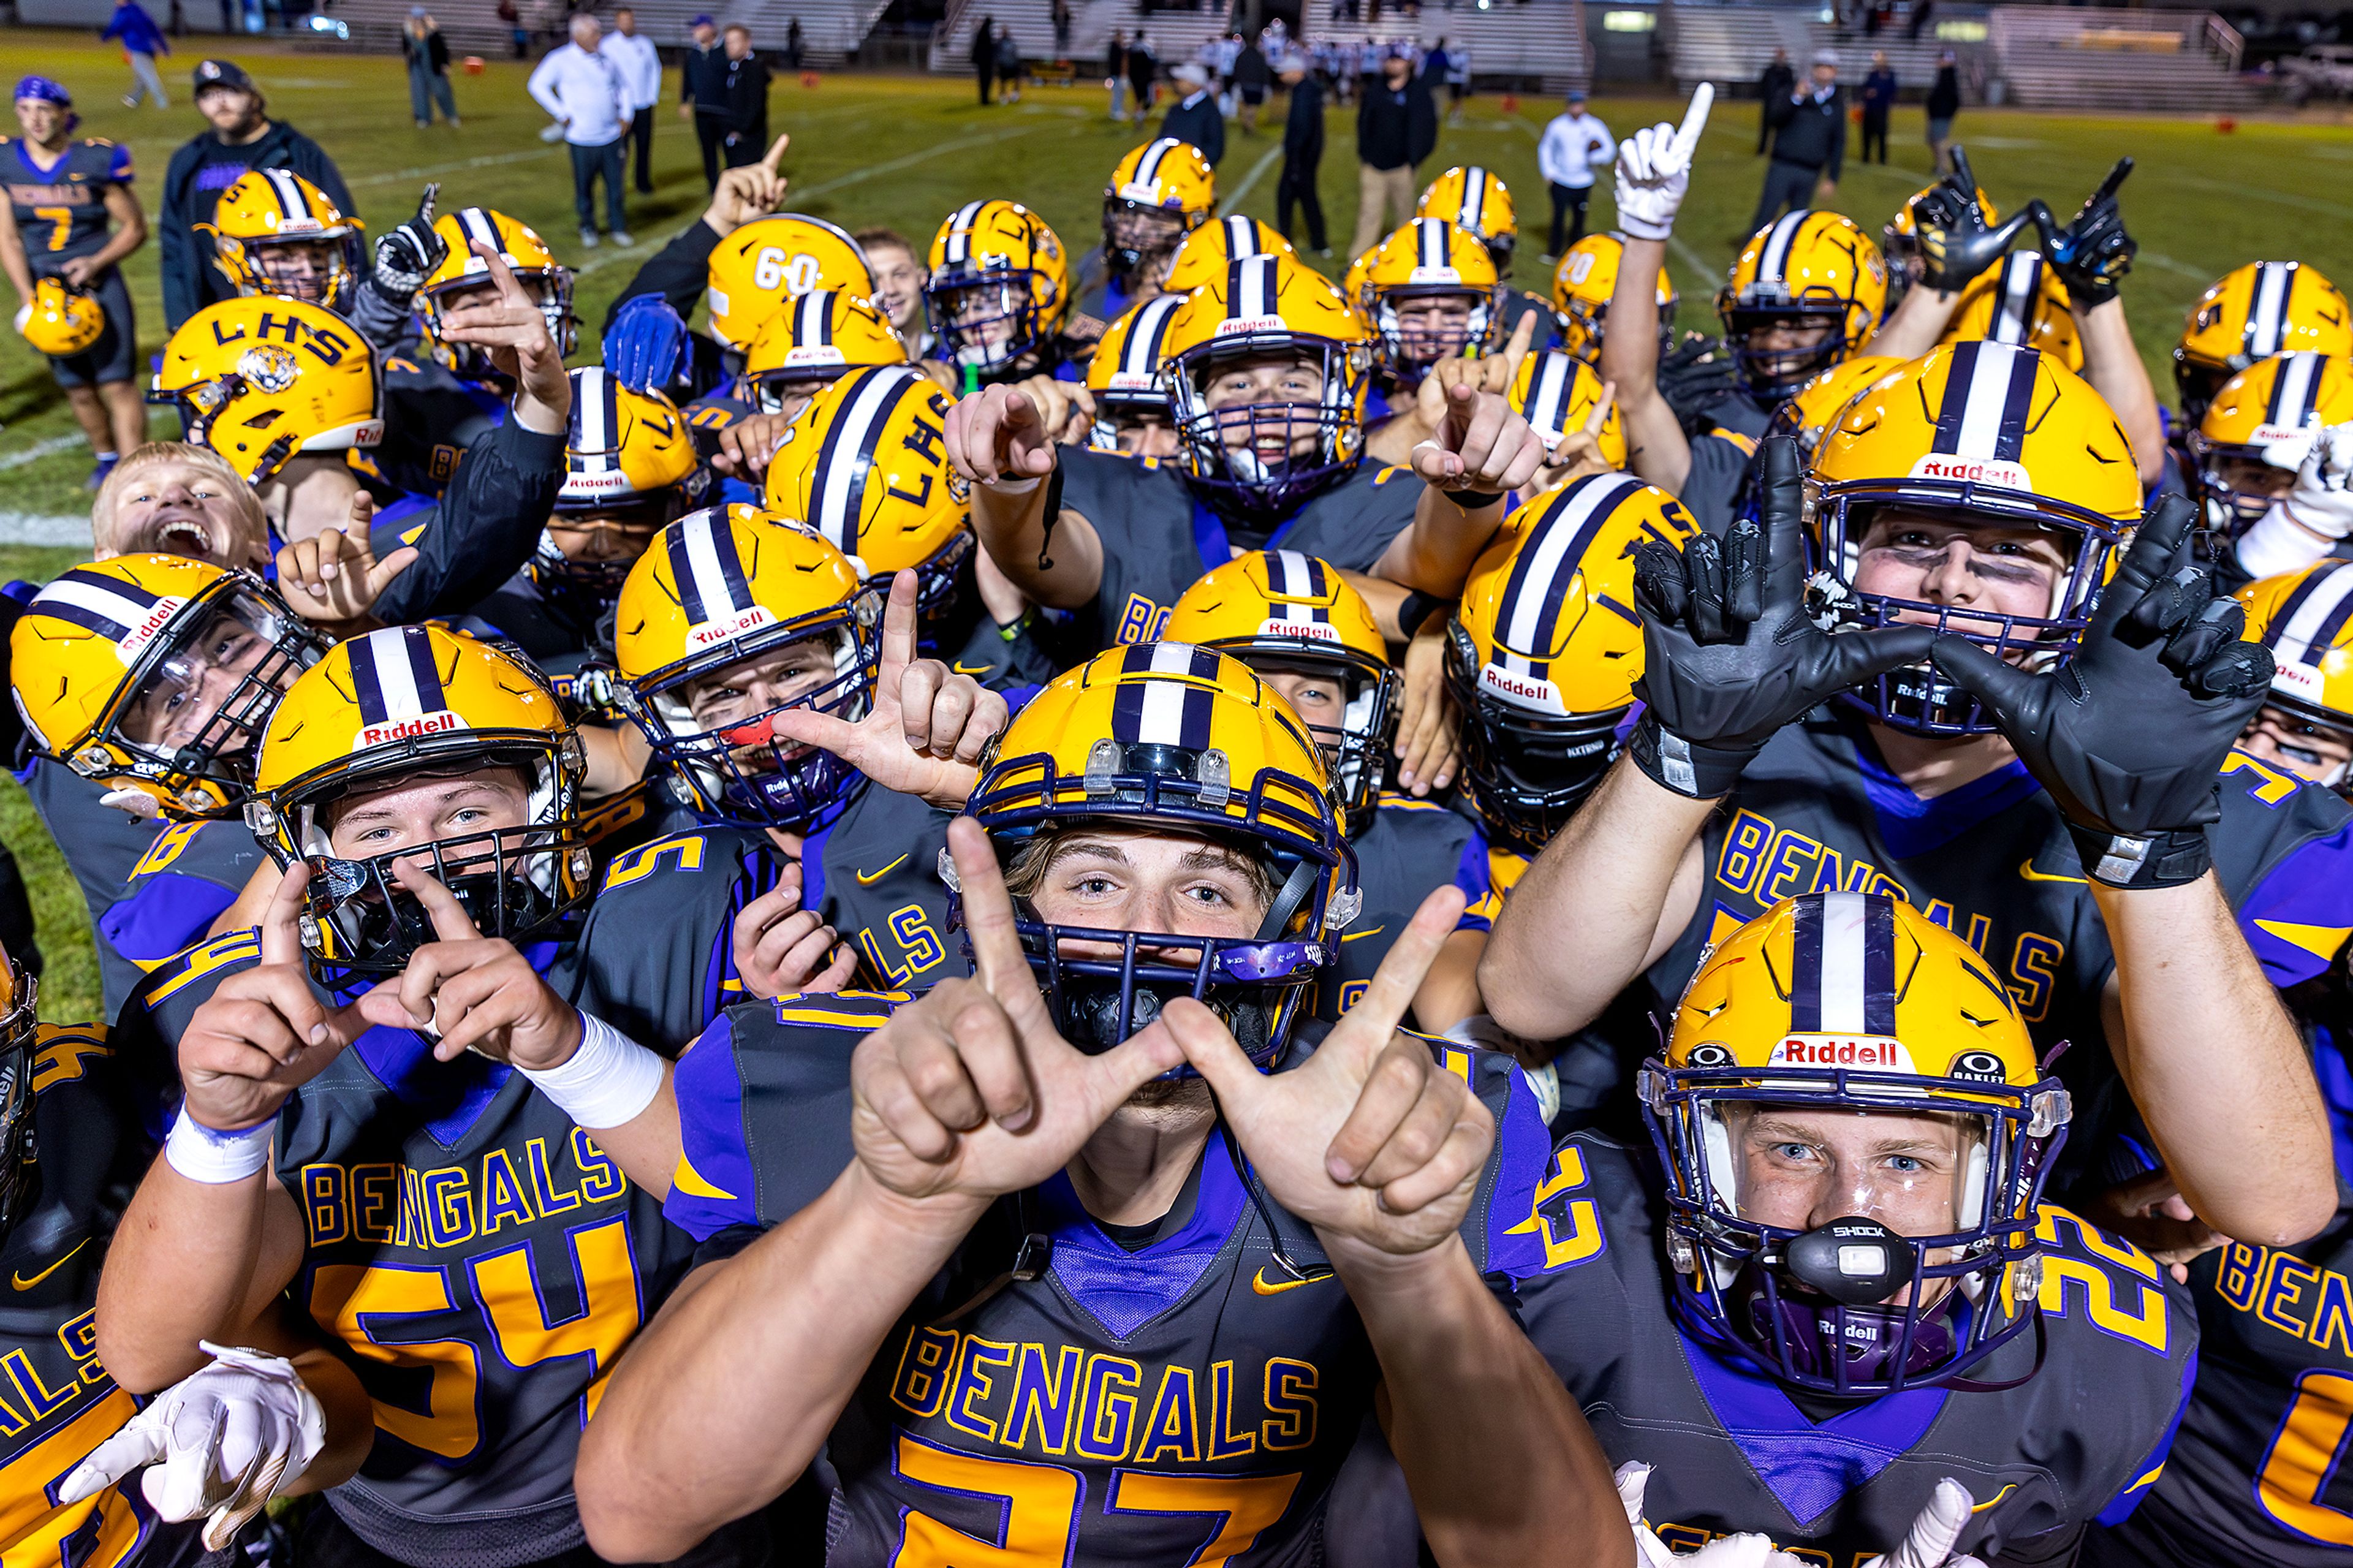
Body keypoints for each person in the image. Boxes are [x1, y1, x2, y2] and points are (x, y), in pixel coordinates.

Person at [567, 647, 1635, 1568]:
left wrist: (1405, 1269)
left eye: (1211, 888)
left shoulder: (1383, 1132)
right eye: (1094, 880)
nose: (1154, 931)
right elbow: (637, 1511)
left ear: (1296, 928)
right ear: (1005, 907)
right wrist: (900, 1209)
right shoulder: (853, 1085)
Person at [86, 618, 975, 1568]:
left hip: (691, 1486)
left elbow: (769, 1196)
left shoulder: (670, 915)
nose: (425, 863)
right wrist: (223, 1126)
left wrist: (569, 1048)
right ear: (304, 850)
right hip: (402, 1522)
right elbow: (146, 1354)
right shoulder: (229, 1018)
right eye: (377, 829)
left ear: (550, 800)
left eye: (468, 813)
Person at [1482, 363, 2347, 1258]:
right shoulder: (1739, 715)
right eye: (1917, 535)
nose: (1956, 584)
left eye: (2014, 551)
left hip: (1971, 1303)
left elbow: (2272, 1200)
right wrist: (1684, 754)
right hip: (1681, 1241)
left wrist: (2145, 841)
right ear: (1840, 546)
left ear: (2093, 583)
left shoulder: (2175, 798)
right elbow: (1531, 994)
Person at [1518, 890, 2200, 1560]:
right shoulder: (1552, 1281)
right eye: (1793, 1151)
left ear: (1992, 1183)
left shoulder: (2102, 1369)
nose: (1846, 1219)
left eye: (1906, 1160)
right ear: (1708, 1164)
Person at [2, 77, 147, 488]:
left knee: (117, 382)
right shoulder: (7, 162)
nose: (35, 119)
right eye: (26, 109)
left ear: (65, 114)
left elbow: (134, 227)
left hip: (98, 285)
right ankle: (105, 460)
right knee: (76, 387)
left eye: (45, 109)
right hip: (46, 292)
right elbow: (8, 238)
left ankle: (133, 473)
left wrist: (96, 262)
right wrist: (28, 298)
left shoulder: (95, 160)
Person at [159, 58, 352, 331]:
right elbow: (174, 243)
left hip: (292, 305)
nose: (221, 102)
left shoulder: (296, 151)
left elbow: (340, 229)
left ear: (252, 96)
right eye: (209, 95)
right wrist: (180, 319)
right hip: (216, 308)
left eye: (230, 91)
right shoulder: (189, 159)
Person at [529, 12, 634, 251]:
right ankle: (588, 227)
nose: (599, 38)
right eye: (593, 34)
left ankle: (617, 227)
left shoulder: (606, 59)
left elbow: (623, 88)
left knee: (616, 186)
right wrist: (561, 112)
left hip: (611, 137)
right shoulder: (560, 59)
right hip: (582, 139)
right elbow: (537, 85)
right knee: (584, 188)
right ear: (577, 36)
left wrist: (626, 115)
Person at [1350, 47, 1436, 260]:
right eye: (1391, 60)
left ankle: (1403, 262)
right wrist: (1365, 152)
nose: (1393, 64)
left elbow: (1428, 129)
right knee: (1369, 215)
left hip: (1403, 166)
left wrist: (1415, 158)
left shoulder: (1418, 91)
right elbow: (1363, 122)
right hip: (1374, 165)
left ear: (1408, 63)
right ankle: (1358, 262)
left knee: (1405, 218)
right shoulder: (1376, 88)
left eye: (1398, 60)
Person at [1754, 49, 1844, 231]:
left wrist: (1832, 177)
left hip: (1810, 172)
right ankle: (1749, 255)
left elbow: (1838, 142)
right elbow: (1774, 119)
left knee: (1795, 224)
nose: (1824, 71)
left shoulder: (1837, 103)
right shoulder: (1793, 90)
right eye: (1820, 66)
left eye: (1829, 67)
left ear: (1835, 71)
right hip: (1783, 166)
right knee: (1765, 215)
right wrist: (1796, 98)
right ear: (1813, 69)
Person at [1536, 88, 1611, 262]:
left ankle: (1575, 253)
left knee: (1579, 220)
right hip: (1561, 180)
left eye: (1579, 104)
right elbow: (1546, 148)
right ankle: (1554, 252)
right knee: (1558, 218)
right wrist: (1548, 171)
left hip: (1583, 181)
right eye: (1573, 105)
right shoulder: (1558, 126)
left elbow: (1609, 150)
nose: (1576, 108)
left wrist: (1594, 158)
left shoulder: (1594, 126)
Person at [606, 7, 662, 196]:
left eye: (630, 20)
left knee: (644, 147)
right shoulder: (607, 45)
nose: (627, 24)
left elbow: (655, 69)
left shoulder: (645, 44)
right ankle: (617, 185)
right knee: (620, 151)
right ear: (617, 22)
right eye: (623, 20)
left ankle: (643, 183)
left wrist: (652, 96)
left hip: (643, 105)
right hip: (620, 109)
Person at [854, 224, 933, 356]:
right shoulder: (840, 370)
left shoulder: (953, 364)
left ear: (922, 278)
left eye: (900, 275)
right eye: (875, 279)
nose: (890, 290)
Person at [1277, 59, 1327, 256]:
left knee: (1291, 198)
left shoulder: (1304, 93)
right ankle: (1318, 243)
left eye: (1284, 72)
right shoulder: (1306, 90)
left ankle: (1292, 242)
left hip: (1301, 156)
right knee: (1303, 198)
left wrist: (1296, 158)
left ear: (1296, 72)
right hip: (1305, 155)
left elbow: (1302, 127)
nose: (1281, 76)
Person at [679, 13, 728, 189]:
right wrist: (685, 101)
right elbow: (688, 78)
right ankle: (713, 187)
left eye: (698, 28)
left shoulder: (725, 50)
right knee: (708, 152)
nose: (694, 32)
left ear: (710, 28)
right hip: (701, 111)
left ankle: (733, 185)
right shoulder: (693, 53)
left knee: (730, 151)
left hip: (724, 112)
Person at [102, 0, 171, 109]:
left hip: (137, 48)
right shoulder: (139, 10)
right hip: (150, 48)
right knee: (141, 77)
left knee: (148, 76)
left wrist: (105, 37)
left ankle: (162, 102)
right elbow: (154, 28)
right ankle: (134, 99)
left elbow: (116, 27)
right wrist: (164, 47)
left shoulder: (124, 12)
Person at [1160, 62, 1225, 166]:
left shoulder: (1210, 112)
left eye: (1182, 80)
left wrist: (1196, 164)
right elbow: (1162, 139)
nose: (1177, 83)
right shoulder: (1176, 109)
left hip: (1193, 172)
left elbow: (1215, 149)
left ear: (1194, 84)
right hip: (1171, 168)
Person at [1926, 47, 1960, 172]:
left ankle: (1943, 167)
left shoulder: (1949, 77)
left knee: (1940, 141)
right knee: (1933, 140)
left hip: (1942, 114)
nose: (1939, 61)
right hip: (1937, 114)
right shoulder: (1943, 75)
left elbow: (1954, 98)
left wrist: (1948, 112)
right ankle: (1940, 165)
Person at [1754, 45, 1792, 154]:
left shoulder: (1788, 71)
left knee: (1781, 128)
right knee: (1765, 128)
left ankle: (1779, 150)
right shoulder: (1769, 70)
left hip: (1782, 104)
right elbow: (1763, 84)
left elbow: (1790, 86)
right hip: (1769, 102)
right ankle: (1762, 150)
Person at [1860, 48, 1895, 163]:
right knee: (1867, 133)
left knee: (1881, 134)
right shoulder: (1873, 73)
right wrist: (1866, 92)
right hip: (1869, 108)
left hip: (1881, 108)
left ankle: (1882, 158)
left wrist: (1878, 93)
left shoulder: (1889, 74)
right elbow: (1865, 86)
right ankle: (1866, 157)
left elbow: (1892, 89)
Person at [1233, 28, 1270, 134]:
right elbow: (1264, 71)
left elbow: (1237, 69)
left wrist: (1239, 81)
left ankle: (1246, 123)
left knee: (1246, 105)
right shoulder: (1260, 56)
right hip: (1257, 85)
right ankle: (1250, 126)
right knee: (1253, 107)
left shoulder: (1242, 55)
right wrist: (1266, 84)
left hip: (1245, 85)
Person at [1126, 28, 1158, 123]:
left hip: (1134, 77)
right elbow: (1153, 62)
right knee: (1150, 99)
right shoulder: (1147, 47)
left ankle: (1138, 115)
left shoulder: (1132, 47)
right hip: (1146, 77)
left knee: (1138, 98)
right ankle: (1141, 116)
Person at [995, 27, 1025, 104]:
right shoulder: (1000, 43)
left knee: (1016, 80)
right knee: (1003, 82)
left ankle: (1015, 95)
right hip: (1004, 65)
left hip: (1011, 64)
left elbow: (1014, 53)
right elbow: (997, 54)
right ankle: (1003, 96)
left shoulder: (1010, 42)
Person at [973, 13, 996, 105]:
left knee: (983, 81)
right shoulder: (985, 34)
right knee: (986, 81)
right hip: (986, 62)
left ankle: (984, 99)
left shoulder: (982, 33)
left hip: (982, 62)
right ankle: (985, 99)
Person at [1107, 29, 1128, 120]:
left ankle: (1117, 110)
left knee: (1119, 94)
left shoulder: (1116, 47)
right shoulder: (1115, 47)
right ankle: (1116, 111)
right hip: (1117, 74)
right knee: (1118, 94)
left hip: (1116, 74)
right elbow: (1119, 61)